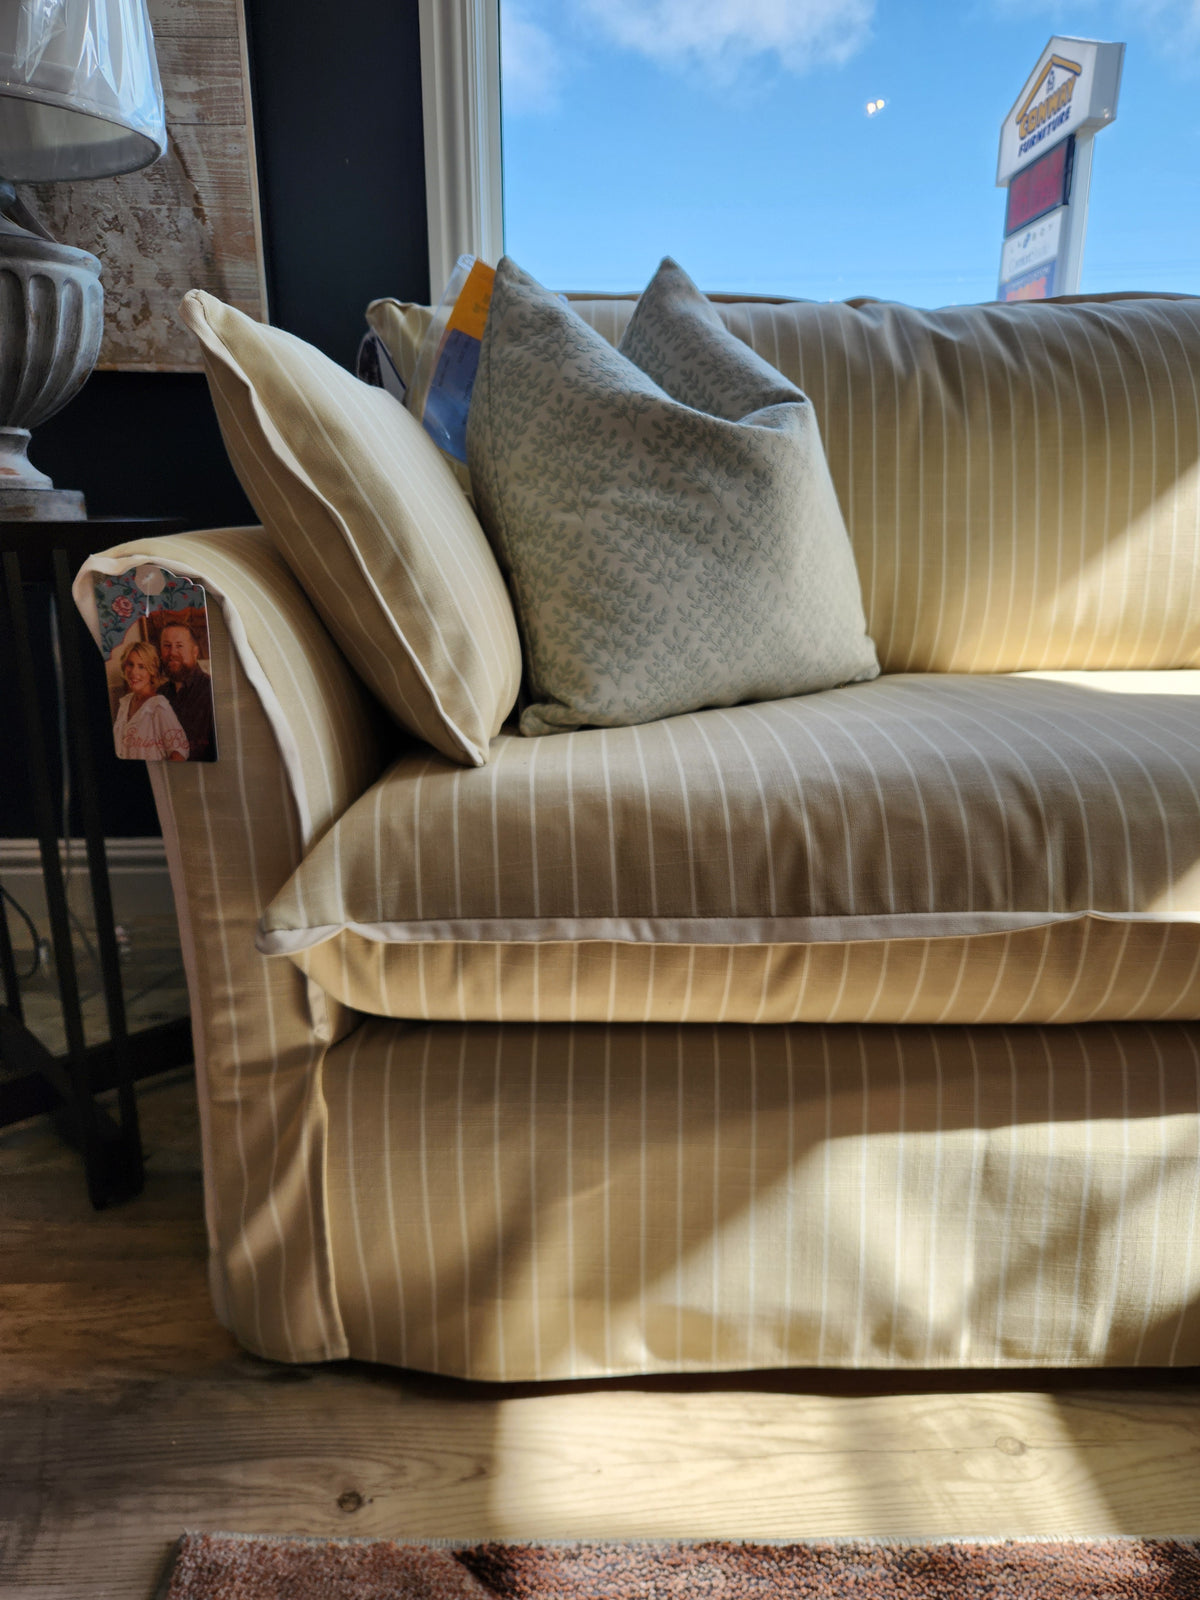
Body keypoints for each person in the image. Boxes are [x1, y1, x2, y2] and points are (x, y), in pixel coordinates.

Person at [112, 640, 189, 762]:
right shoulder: (125, 703)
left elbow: (179, 754)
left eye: (141, 666)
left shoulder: (158, 707)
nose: (133, 672)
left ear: (151, 671)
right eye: (130, 664)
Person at [159, 620, 216, 761]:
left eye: (179, 646)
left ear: (195, 652)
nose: (172, 652)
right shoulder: (159, 694)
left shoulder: (212, 692)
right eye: (167, 646)